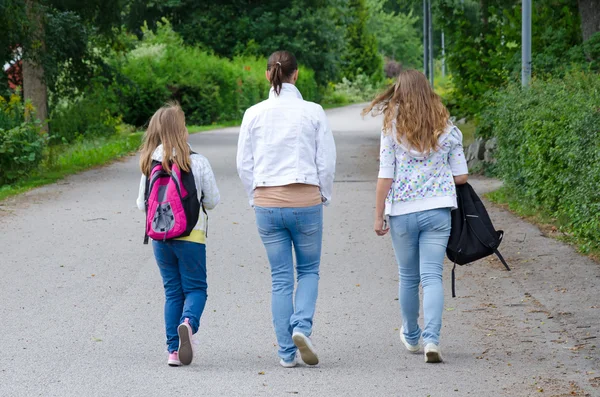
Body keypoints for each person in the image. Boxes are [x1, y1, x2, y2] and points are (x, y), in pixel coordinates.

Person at [236, 50, 336, 368]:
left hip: (266, 203)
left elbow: (243, 163)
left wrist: (255, 195)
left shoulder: (253, 114)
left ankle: (285, 353)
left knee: (280, 278)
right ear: (296, 74)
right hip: (305, 199)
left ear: (268, 75)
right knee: (308, 271)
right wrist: (324, 194)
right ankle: (302, 328)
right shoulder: (314, 112)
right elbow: (327, 161)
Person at [363, 70, 468, 363]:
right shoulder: (447, 129)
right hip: (437, 212)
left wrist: (378, 215)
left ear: (400, 94)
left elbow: (386, 175)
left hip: (403, 213)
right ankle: (432, 340)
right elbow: (461, 176)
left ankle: (411, 335)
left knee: (408, 277)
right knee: (432, 276)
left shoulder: (392, 130)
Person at [136, 102, 220, 367]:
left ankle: (173, 350)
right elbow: (212, 201)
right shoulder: (197, 161)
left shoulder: (151, 163)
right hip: (191, 236)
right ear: (181, 129)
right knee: (195, 288)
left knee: (173, 292)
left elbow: (142, 204)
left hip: (160, 238)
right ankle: (189, 323)